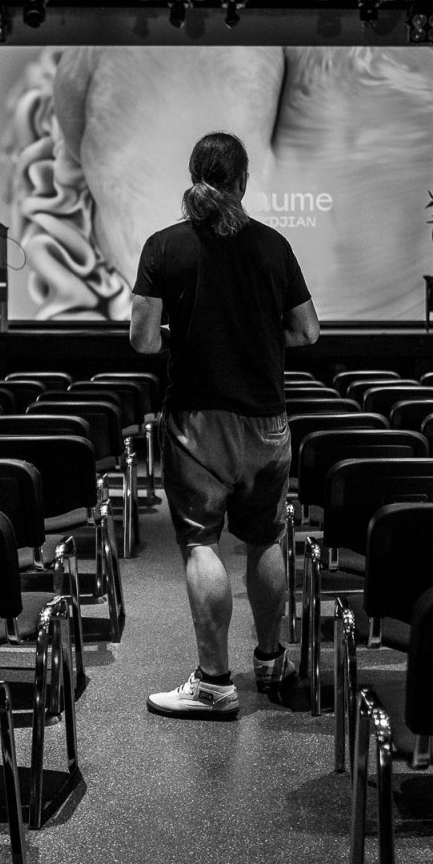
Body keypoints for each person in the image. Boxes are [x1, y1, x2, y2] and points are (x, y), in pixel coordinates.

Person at [129, 131, 321, 720]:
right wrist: (262, 336)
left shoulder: (163, 248)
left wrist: (181, 333)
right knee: (264, 537)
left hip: (197, 421)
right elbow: (308, 331)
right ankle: (270, 662)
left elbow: (140, 338)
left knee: (201, 544)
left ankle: (214, 683)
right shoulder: (274, 245)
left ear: (193, 177)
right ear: (242, 183)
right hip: (266, 420)